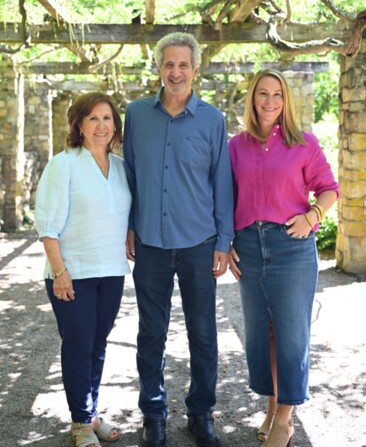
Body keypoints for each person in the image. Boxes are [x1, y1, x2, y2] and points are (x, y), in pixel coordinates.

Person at [123, 32, 234, 447]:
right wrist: (130, 225)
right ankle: (153, 414)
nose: (175, 72)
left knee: (203, 333)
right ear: (158, 68)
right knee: (151, 331)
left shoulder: (213, 120)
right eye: (168, 64)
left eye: (183, 65)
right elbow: (130, 176)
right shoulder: (136, 114)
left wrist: (223, 241)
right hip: (150, 242)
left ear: (196, 69)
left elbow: (222, 184)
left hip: (199, 243)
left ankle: (200, 412)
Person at [228, 69, 339, 447]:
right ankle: (272, 405)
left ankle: (286, 419)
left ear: (286, 100)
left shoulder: (303, 143)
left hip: (291, 247)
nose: (270, 101)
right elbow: (226, 199)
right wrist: (226, 242)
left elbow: (329, 189)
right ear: (252, 98)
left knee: (292, 335)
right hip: (247, 247)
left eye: (277, 94)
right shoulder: (235, 146)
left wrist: (312, 217)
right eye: (262, 93)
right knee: (261, 335)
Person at [35, 92, 132, 447]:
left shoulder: (121, 167)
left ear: (115, 126)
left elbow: (123, 214)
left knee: (97, 344)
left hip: (111, 270)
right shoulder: (64, 164)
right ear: (79, 125)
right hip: (72, 272)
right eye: (93, 118)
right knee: (78, 345)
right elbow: (47, 226)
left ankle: (90, 415)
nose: (101, 126)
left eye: (107, 119)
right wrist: (59, 271)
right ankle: (80, 422)